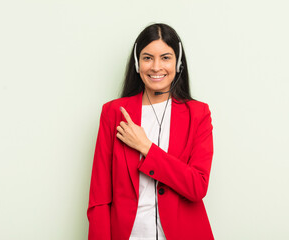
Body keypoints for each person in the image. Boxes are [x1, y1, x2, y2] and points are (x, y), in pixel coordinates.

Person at [87, 23, 214, 240]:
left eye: (166, 57)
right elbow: (99, 198)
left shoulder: (198, 114)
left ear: (178, 62)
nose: (156, 67)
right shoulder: (113, 113)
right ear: (137, 63)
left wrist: (145, 147)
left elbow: (197, 186)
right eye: (147, 58)